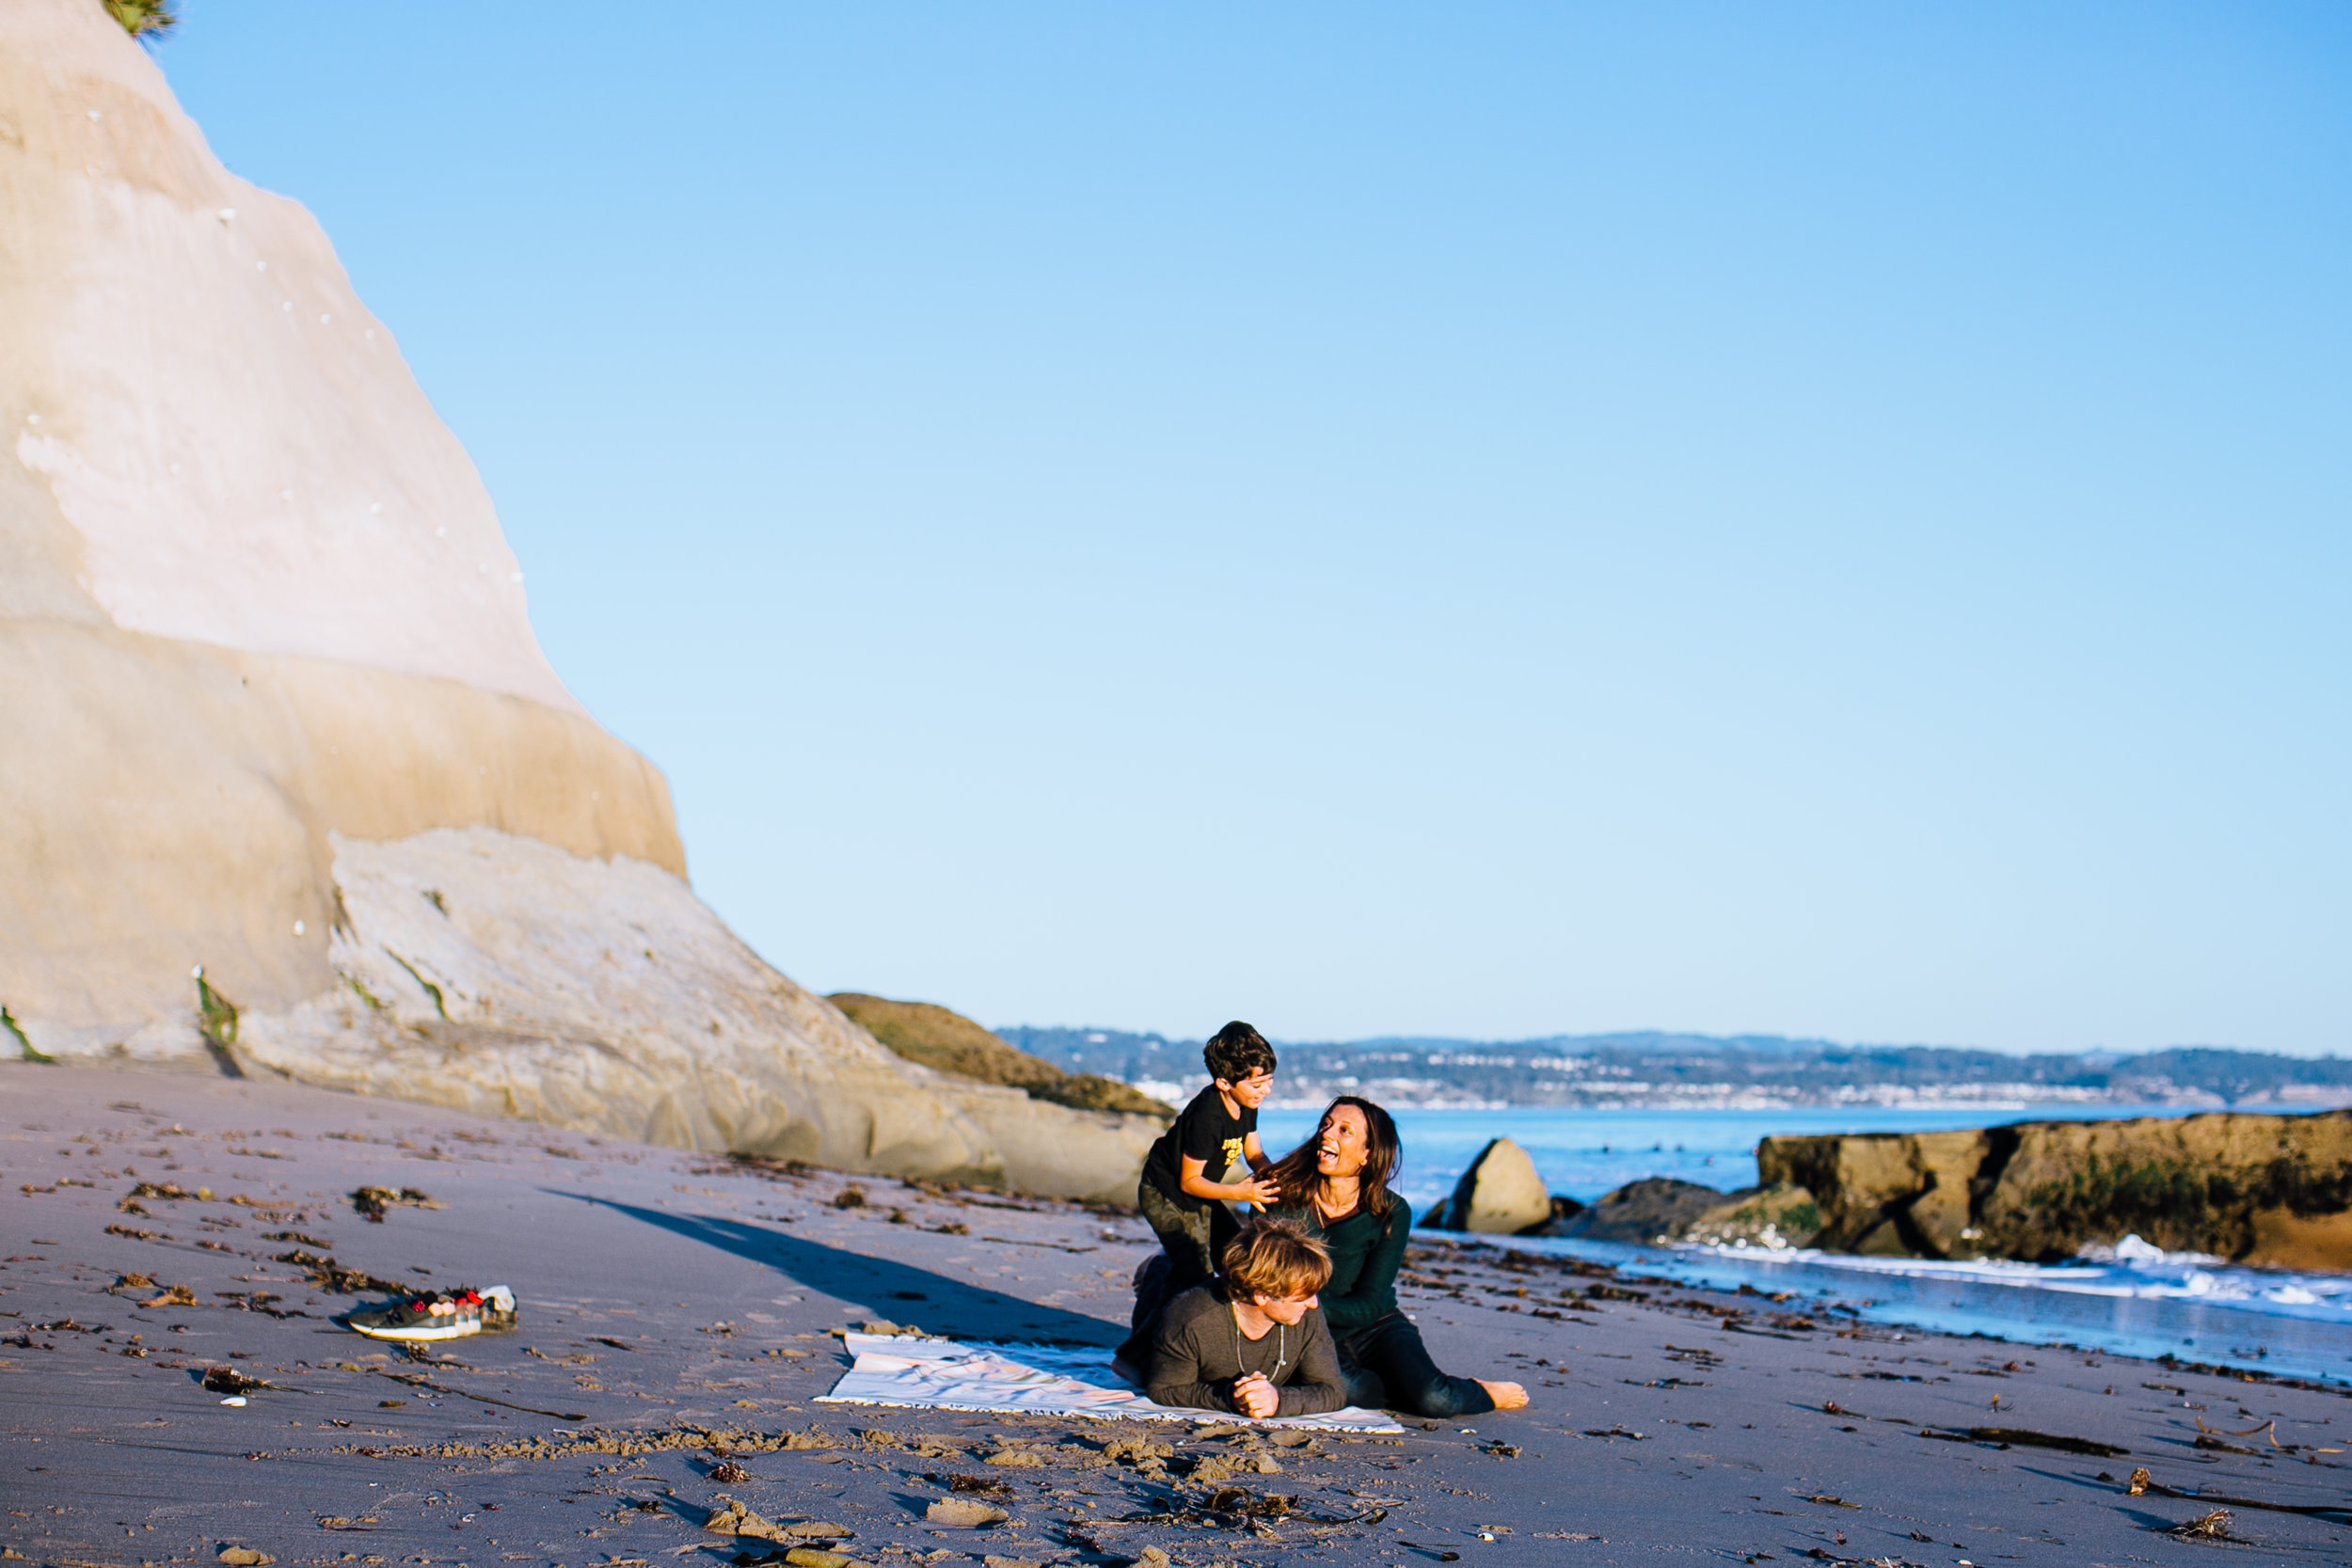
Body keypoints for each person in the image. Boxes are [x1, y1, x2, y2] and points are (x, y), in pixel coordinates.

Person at [1264, 1096, 1529, 1417]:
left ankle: (1478, 1389)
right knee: (1358, 1392)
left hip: (1375, 1325)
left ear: (1367, 1154)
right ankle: (1399, 1388)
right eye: (1326, 1124)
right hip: (1306, 1329)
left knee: (1435, 1400)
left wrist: (1309, 1303)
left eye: (1344, 1130)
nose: (1326, 1134)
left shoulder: (1391, 1212)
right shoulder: (1281, 1198)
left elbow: (1372, 1303)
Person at [1112, 1021, 1280, 1380]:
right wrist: (1241, 1192)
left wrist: (1271, 1174)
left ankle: (1162, 1269)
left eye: (1268, 1079)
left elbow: (1253, 1151)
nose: (1266, 1089)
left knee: (1235, 1255)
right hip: (1167, 1193)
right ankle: (1133, 1356)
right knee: (1193, 1275)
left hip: (1202, 1194)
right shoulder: (1208, 1115)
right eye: (1257, 1083)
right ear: (1224, 1082)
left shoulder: (1246, 1101)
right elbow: (1190, 1182)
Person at [1145, 1217, 1345, 1418]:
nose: (1314, 1303)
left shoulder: (1306, 1313)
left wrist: (1278, 1400)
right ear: (1261, 1296)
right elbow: (1164, 1389)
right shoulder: (1192, 1318)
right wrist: (1230, 1398)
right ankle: (1157, 1269)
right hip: (1168, 1320)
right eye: (1301, 1298)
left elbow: (1332, 1391)